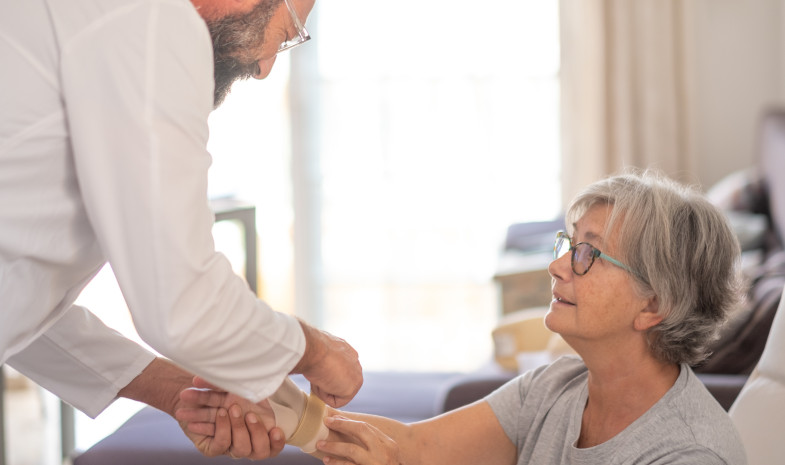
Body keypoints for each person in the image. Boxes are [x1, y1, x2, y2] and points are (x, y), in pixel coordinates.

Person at [180, 170, 748, 463]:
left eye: (587, 254)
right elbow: (414, 447)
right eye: (568, 244)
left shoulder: (687, 452)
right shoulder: (560, 386)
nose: (557, 267)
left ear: (656, 305)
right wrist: (285, 412)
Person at [0, 0, 362, 459]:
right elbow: (181, 304)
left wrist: (175, 393)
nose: (265, 65)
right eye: (288, 28)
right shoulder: (150, 18)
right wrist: (315, 352)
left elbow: (16, 286)